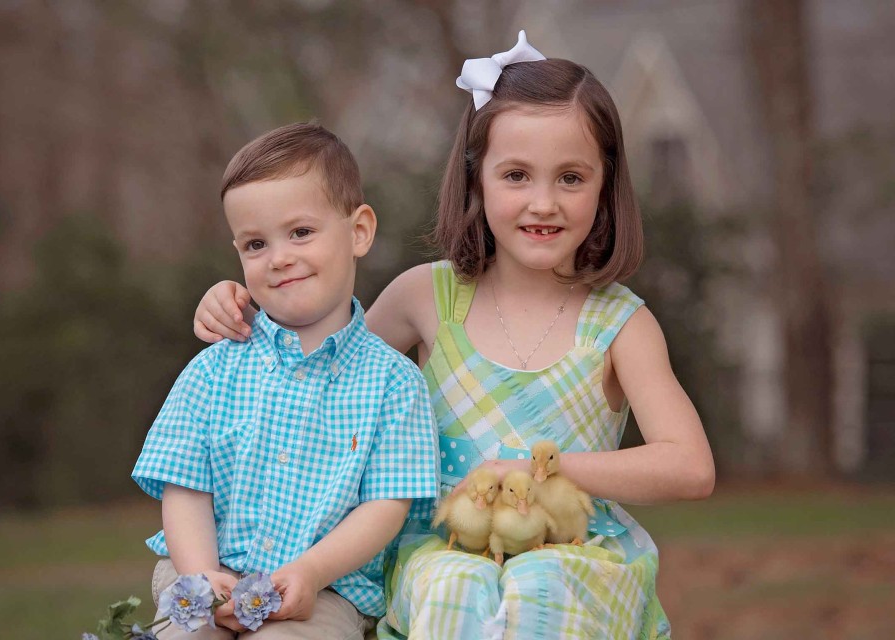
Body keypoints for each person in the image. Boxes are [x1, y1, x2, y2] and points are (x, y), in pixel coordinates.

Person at [192, 31, 715, 639]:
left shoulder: (619, 324)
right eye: (516, 175)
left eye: (571, 178)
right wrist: (244, 307)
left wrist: (545, 466)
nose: (542, 202)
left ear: (605, 185)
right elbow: (315, 373)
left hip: (572, 550)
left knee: (543, 586)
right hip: (443, 550)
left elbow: (689, 467)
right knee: (452, 585)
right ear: (477, 180)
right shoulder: (426, 298)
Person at [132, 122, 439, 640]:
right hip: (204, 572)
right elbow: (184, 484)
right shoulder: (214, 368)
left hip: (322, 590)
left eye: (301, 232)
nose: (279, 257)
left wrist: (312, 572)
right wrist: (202, 573)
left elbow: (386, 505)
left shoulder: (392, 383)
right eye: (256, 243)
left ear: (359, 230)